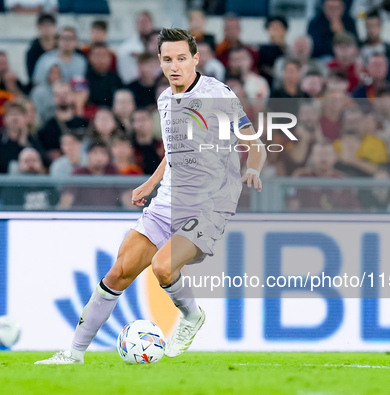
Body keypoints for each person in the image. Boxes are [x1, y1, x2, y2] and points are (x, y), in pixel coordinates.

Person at [35, 27, 265, 365]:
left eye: (182, 59)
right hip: (168, 199)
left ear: (196, 59)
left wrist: (254, 169)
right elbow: (174, 152)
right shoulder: (164, 100)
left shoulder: (219, 95)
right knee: (118, 274)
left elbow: (254, 143)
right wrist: (150, 183)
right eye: (168, 59)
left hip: (209, 203)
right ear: (159, 61)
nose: (175, 66)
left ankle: (191, 316)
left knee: (162, 267)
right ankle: (74, 354)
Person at [289, 141, 359, 211]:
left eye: (327, 154)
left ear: (335, 157)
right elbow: (292, 208)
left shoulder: (344, 181)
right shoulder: (302, 179)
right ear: (312, 157)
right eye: (319, 154)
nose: (323, 158)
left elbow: (355, 210)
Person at [37, 82, 89, 159]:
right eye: (58, 95)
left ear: (72, 96)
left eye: (65, 94)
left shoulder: (84, 123)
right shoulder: (47, 126)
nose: (62, 97)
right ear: (53, 98)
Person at [0, 101, 46, 173]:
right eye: (11, 114)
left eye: (19, 114)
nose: (15, 117)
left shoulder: (33, 138)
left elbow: (43, 162)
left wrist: (24, 143)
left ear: (25, 118)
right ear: (5, 119)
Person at [116, 11, 155, 84]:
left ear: (152, 24)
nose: (144, 25)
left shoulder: (160, 43)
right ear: (136, 25)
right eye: (141, 22)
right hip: (133, 84)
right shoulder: (125, 47)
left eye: (146, 22)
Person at [85, 43, 124, 107]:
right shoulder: (85, 79)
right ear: (90, 58)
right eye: (97, 55)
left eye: (104, 55)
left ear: (110, 58)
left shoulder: (116, 79)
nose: (101, 59)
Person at [26, 13, 57, 87]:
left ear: (55, 27)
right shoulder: (32, 51)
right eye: (44, 26)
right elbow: (32, 77)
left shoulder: (62, 45)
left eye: (49, 25)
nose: (47, 28)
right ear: (39, 27)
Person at [258, 15, 287, 86]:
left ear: (285, 30)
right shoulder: (262, 51)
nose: (274, 31)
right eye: (272, 28)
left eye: (277, 28)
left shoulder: (291, 51)